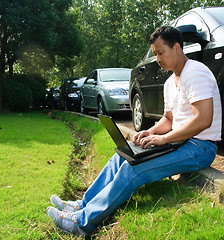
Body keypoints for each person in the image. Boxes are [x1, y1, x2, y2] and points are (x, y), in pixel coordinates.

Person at [46, 26, 222, 236]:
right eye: (154, 54)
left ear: (176, 47)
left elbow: (203, 119)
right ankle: (81, 204)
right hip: (180, 142)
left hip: (200, 146)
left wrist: (164, 138)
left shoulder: (195, 72)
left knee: (134, 170)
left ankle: (82, 224)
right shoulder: (169, 82)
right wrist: (150, 132)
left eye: (160, 52)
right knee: (122, 156)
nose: (157, 58)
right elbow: (168, 119)